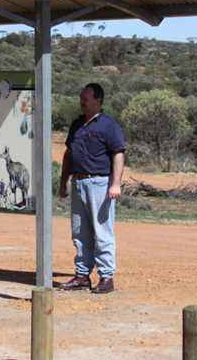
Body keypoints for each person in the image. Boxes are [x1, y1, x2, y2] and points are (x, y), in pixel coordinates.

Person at [57, 82, 125, 294]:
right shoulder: (77, 124)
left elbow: (118, 154)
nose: (82, 102)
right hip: (78, 182)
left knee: (102, 231)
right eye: (81, 98)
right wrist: (63, 181)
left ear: (98, 100)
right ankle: (82, 275)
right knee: (79, 231)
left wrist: (115, 184)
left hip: (99, 184)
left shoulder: (108, 125)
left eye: (85, 99)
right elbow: (69, 154)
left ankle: (106, 277)